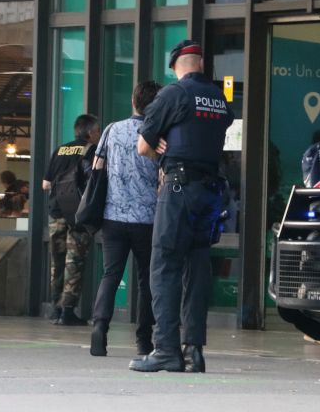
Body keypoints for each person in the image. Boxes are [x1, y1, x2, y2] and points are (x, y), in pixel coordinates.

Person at [128, 40, 234, 373]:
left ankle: (166, 349)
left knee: (165, 265)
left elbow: (143, 145)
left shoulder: (173, 94)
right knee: (197, 267)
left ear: (176, 64)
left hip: (178, 188)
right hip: (211, 191)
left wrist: (164, 148)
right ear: (200, 63)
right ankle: (194, 351)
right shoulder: (219, 98)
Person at [90, 81, 163, 357]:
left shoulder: (111, 129)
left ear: (133, 101)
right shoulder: (157, 133)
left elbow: (98, 167)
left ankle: (100, 327)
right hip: (147, 218)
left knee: (111, 274)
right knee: (147, 280)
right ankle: (144, 339)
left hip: (113, 217)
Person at [42, 114, 100, 326]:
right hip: (77, 215)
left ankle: (55, 308)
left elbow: (45, 185)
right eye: (97, 131)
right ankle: (68, 310)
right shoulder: (90, 150)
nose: (99, 134)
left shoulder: (60, 150)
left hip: (56, 213)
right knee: (74, 262)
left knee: (56, 261)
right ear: (90, 133)